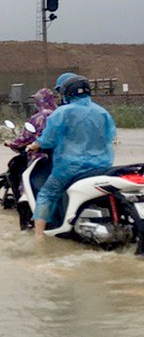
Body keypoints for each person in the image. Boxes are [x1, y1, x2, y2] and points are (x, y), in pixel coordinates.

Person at [27, 75, 116, 238]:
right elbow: (110, 136)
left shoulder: (62, 112)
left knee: (47, 193)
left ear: (66, 93)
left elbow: (48, 139)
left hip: (70, 167)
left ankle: (39, 237)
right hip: (102, 166)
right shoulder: (103, 112)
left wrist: (34, 145)